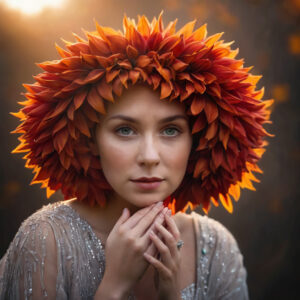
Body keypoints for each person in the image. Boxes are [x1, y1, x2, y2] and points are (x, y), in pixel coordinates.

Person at [0, 13, 272, 299]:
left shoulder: (216, 247)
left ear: (198, 142)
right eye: (125, 130)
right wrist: (114, 286)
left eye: (170, 131)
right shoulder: (46, 240)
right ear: (90, 141)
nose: (150, 156)